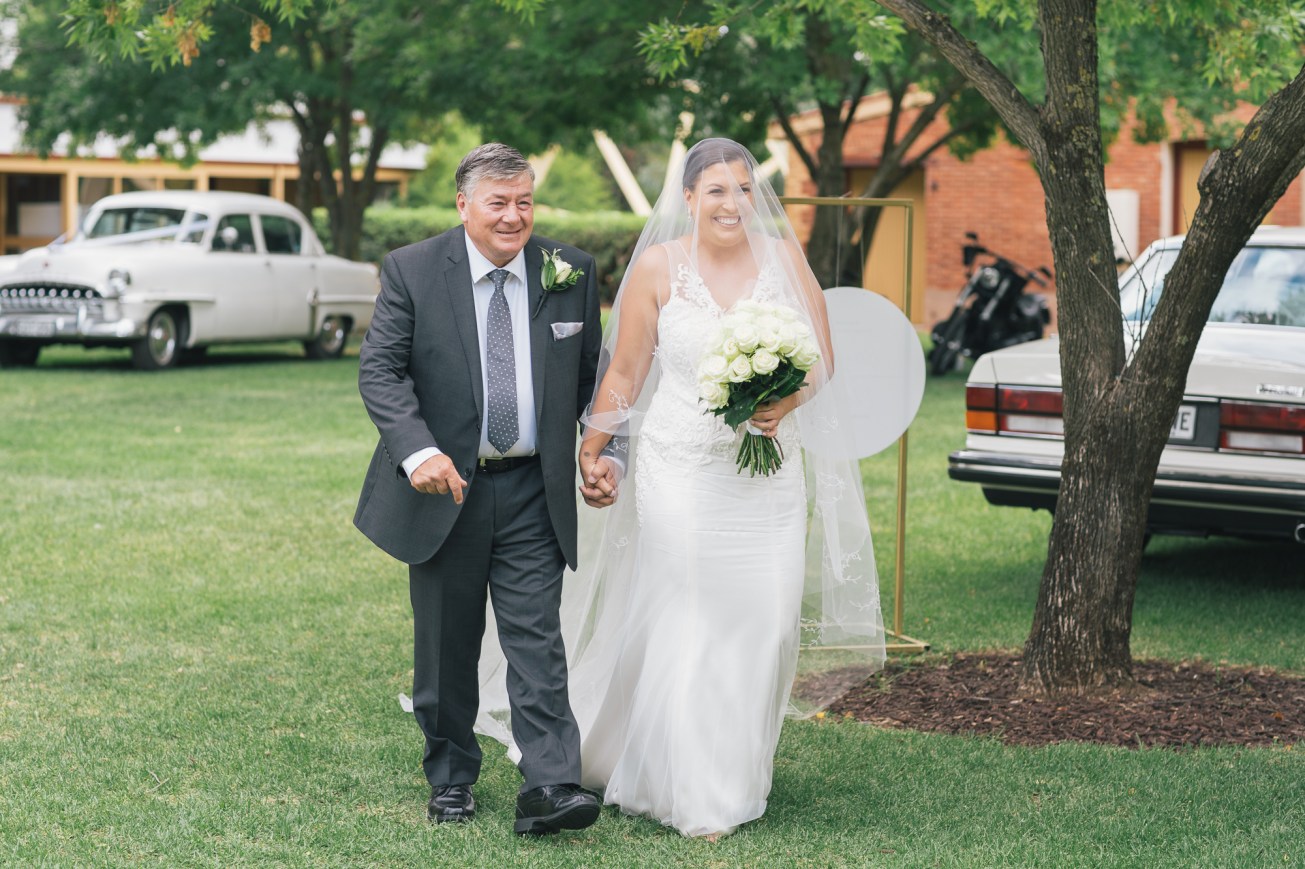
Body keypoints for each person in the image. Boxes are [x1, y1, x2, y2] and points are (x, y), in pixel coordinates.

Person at [561, 138, 887, 839]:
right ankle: (696, 791)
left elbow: (821, 358)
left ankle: (733, 767)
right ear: (688, 198)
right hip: (681, 467)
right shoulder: (658, 267)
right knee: (692, 613)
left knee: (766, 618)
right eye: (716, 189)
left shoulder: (784, 257)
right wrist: (593, 443)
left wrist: (784, 401)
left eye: (742, 188)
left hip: (765, 476)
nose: (731, 202)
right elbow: (626, 372)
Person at [354, 143, 606, 835]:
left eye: (524, 201)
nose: (513, 216)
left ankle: (552, 782)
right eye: (498, 202)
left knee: (537, 639)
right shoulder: (412, 269)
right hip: (447, 491)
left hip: (533, 489)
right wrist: (419, 451)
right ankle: (451, 777)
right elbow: (381, 372)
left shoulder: (570, 271)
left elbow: (591, 377)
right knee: (445, 645)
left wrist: (601, 448)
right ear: (463, 204)